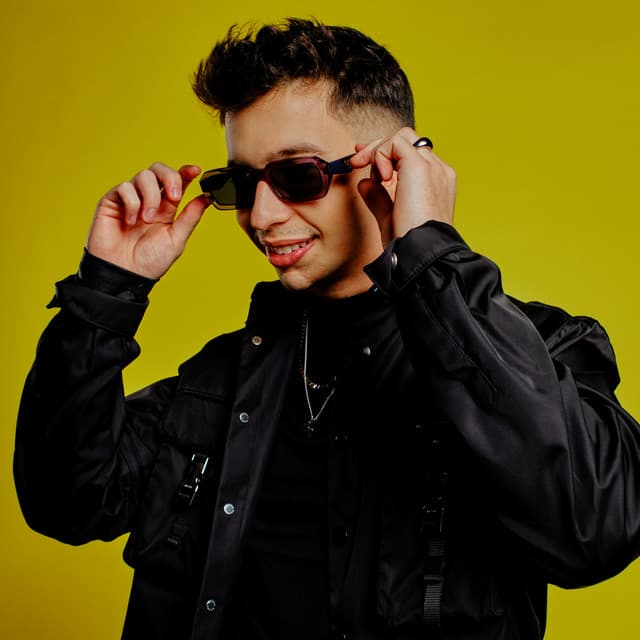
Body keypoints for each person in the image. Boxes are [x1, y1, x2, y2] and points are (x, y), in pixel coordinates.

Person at [13, 17, 640, 640]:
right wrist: (107, 290)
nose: (261, 216)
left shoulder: (543, 352)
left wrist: (432, 255)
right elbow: (66, 502)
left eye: (297, 176)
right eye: (241, 183)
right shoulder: (217, 380)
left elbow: (596, 531)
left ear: (389, 167)